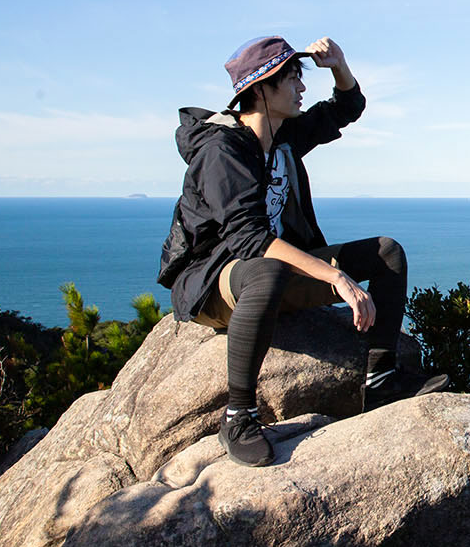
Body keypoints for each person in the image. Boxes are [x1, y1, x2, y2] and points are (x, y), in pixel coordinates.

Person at [158, 35, 444, 467]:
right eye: (292, 78)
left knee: (387, 253)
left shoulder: (283, 136)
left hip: (269, 273)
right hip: (214, 281)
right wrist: (334, 276)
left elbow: (346, 108)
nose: (301, 87)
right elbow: (251, 239)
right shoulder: (221, 150)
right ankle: (238, 415)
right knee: (265, 270)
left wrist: (339, 65)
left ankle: (381, 380)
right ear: (259, 90)